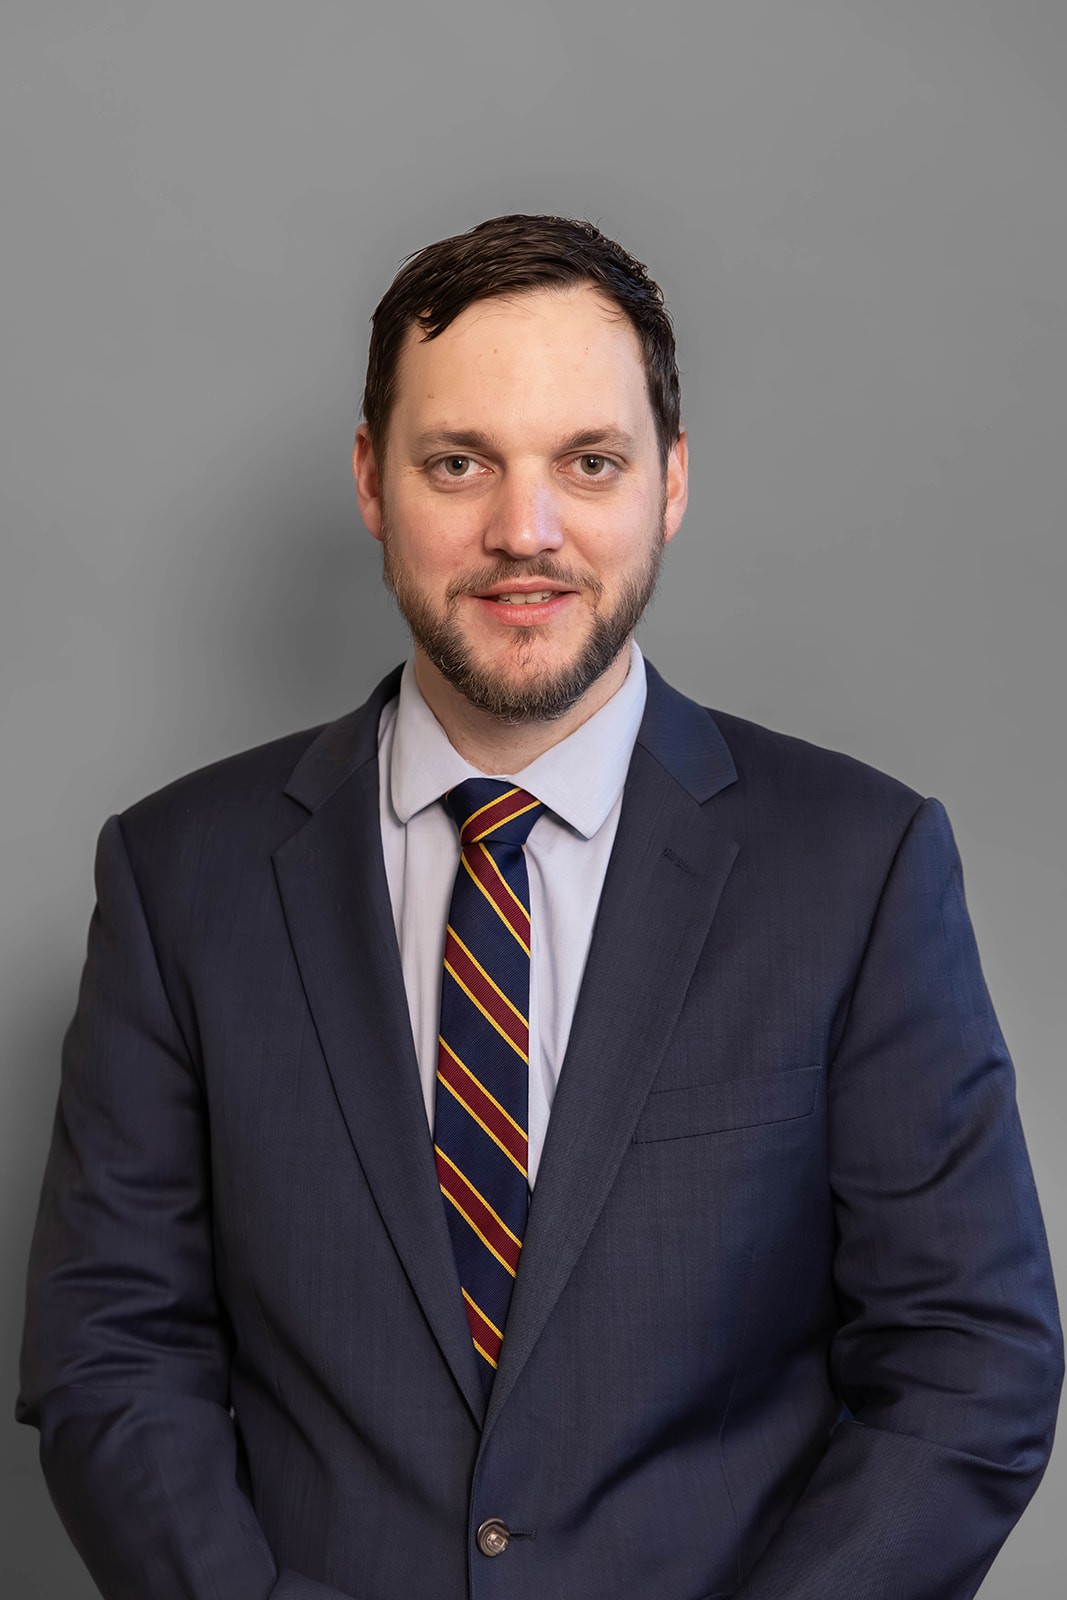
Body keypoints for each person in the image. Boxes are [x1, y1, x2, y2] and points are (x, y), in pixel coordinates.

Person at [17, 213, 1062, 1600]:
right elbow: (112, 1353)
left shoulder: (859, 868)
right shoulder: (176, 878)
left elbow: (970, 1361)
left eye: (590, 462)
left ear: (671, 482)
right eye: (460, 463)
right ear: (371, 481)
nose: (526, 531)